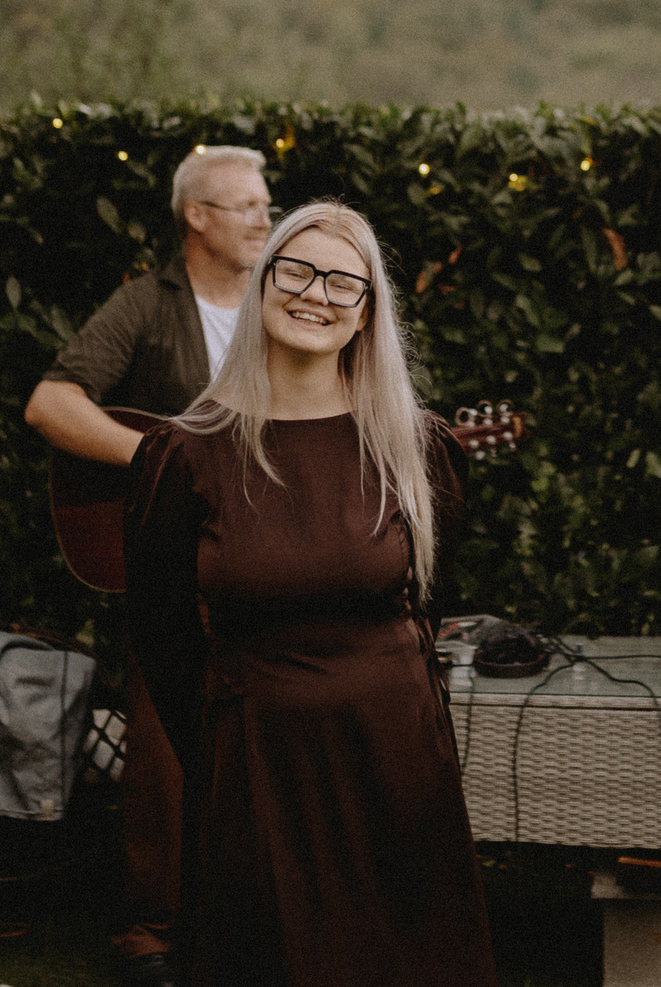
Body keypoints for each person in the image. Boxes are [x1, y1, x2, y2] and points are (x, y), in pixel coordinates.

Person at [121, 200, 495, 987]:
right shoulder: (182, 454)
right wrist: (224, 750)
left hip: (395, 761)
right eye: (296, 269)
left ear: (366, 314)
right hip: (258, 768)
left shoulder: (416, 448)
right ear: (263, 283)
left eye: (341, 283)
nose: (315, 293)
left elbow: (424, 607)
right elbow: (162, 637)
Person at [25, 145, 274, 987]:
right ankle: (148, 934)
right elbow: (51, 402)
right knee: (164, 746)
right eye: (245, 205)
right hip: (175, 562)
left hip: (264, 558)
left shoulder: (284, 307)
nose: (264, 218)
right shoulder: (145, 303)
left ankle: (252, 918)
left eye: (265, 204)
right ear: (195, 216)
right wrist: (161, 460)